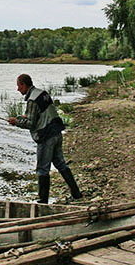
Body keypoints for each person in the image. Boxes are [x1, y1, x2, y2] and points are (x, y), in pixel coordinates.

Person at [7, 74, 84, 204]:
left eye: (18, 86)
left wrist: (16, 122)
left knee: (42, 169)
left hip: (46, 137)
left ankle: (43, 201)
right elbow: (42, 114)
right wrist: (22, 117)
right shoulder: (42, 93)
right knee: (60, 164)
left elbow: (31, 124)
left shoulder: (31, 100)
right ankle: (76, 194)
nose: (18, 89)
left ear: (24, 85)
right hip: (57, 132)